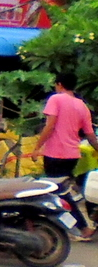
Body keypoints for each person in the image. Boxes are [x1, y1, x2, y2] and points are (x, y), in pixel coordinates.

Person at [30, 74, 97, 240]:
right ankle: (73, 226)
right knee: (63, 191)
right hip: (72, 154)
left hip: (55, 153)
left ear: (59, 85)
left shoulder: (56, 99)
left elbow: (50, 125)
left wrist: (37, 147)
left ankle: (80, 227)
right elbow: (89, 134)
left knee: (56, 193)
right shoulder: (82, 105)